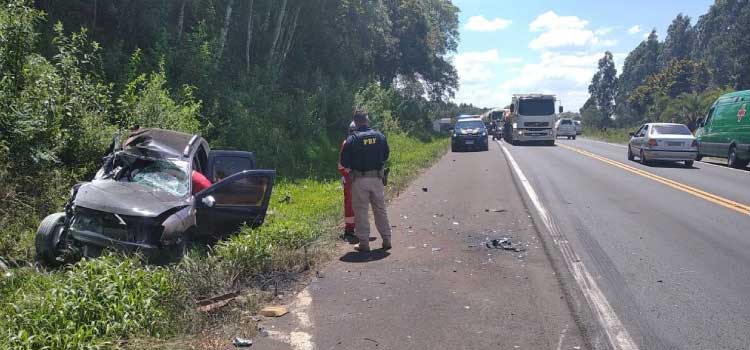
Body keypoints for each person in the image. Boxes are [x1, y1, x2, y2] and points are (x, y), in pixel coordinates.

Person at [340, 111, 391, 252]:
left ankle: (364, 243)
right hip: (377, 179)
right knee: (380, 209)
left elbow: (344, 162)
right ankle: (386, 239)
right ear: (367, 121)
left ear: (355, 122)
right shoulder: (380, 136)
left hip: (359, 180)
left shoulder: (352, 139)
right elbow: (386, 155)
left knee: (361, 211)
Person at [338, 122, 357, 237]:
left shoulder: (360, 142)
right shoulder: (347, 143)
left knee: (359, 203)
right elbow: (341, 166)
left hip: (357, 177)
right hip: (349, 177)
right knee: (350, 204)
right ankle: (350, 229)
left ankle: (357, 227)